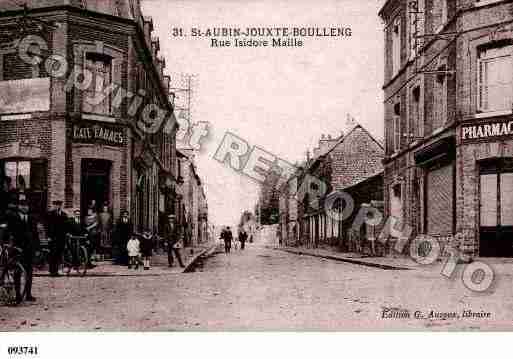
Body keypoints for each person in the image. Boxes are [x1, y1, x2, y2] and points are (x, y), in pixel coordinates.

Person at [5, 192, 38, 304]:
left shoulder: (31, 218)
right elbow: (9, 231)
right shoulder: (13, 217)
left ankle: (28, 294)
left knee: (29, 271)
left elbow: (35, 234)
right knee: (17, 272)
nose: (24, 207)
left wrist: (37, 248)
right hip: (17, 248)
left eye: (26, 205)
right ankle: (18, 294)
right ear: (18, 206)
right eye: (22, 205)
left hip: (29, 248)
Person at [47, 199, 67, 277]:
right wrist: (48, 236)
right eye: (56, 205)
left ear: (61, 206)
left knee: (58, 254)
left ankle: (56, 271)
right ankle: (52, 271)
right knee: (53, 254)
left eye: (59, 205)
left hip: (61, 237)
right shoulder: (50, 214)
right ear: (54, 206)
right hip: (52, 237)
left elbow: (66, 226)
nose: (57, 206)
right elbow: (47, 226)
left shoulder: (64, 214)